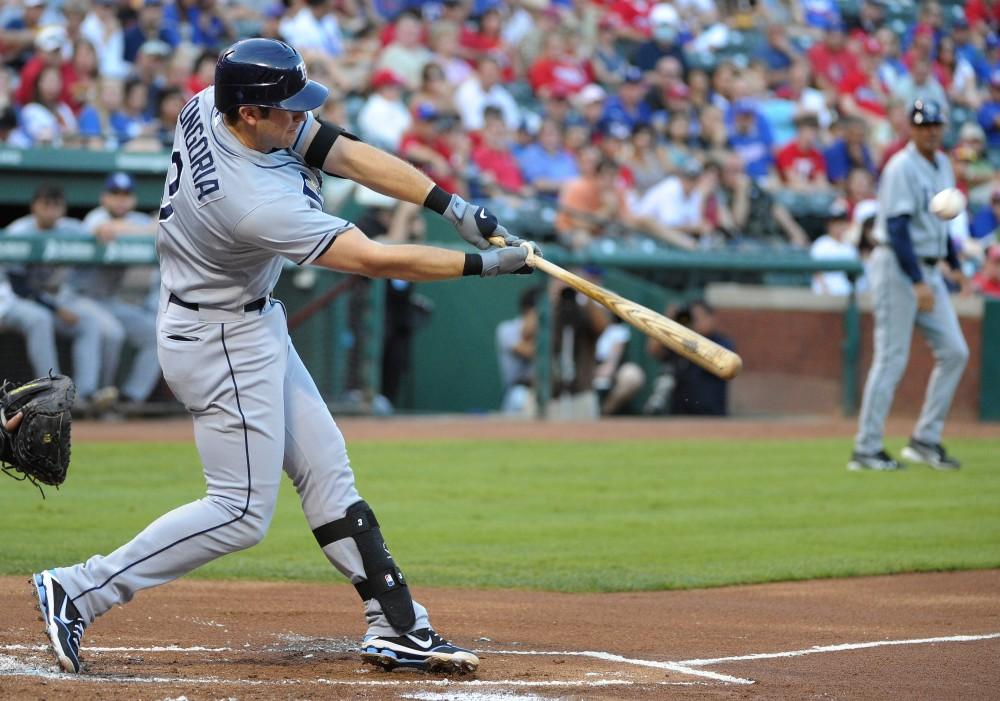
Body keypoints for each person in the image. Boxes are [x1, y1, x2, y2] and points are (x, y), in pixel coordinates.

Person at [30, 38, 538, 678]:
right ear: (248, 113)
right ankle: (79, 589)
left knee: (328, 472)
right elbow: (375, 260)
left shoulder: (213, 106)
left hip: (243, 319)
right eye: (287, 109)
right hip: (218, 340)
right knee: (240, 513)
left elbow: (343, 152)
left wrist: (452, 206)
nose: (300, 119)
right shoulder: (253, 203)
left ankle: (397, 626)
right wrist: (483, 264)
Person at [850, 100, 969, 472]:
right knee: (891, 358)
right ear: (911, 129)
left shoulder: (944, 163)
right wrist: (918, 281)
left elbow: (940, 223)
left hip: (928, 267)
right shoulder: (901, 167)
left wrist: (953, 261)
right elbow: (898, 228)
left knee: (955, 352)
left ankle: (925, 440)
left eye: (935, 123)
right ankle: (866, 449)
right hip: (898, 267)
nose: (930, 130)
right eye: (923, 125)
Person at [5, 184, 121, 414]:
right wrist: (56, 308)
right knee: (40, 319)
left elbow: (92, 231)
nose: (51, 211)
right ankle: (52, 393)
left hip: (47, 298)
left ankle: (85, 394)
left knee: (87, 323)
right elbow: (18, 286)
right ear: (34, 206)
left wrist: (99, 230)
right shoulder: (18, 231)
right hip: (9, 298)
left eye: (56, 206)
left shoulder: (68, 227)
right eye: (45, 205)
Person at [74, 173, 162, 408]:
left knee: (156, 335)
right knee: (112, 332)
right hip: (78, 297)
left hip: (109, 301)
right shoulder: (95, 216)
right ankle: (94, 395)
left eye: (126, 195)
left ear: (133, 199)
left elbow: (161, 226)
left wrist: (150, 226)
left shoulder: (136, 219)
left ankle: (130, 397)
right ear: (104, 197)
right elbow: (107, 230)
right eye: (115, 195)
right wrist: (146, 229)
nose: (120, 200)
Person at [496, 285, 540, 416]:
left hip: (544, 393)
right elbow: (529, 352)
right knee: (520, 396)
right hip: (516, 391)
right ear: (529, 310)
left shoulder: (547, 332)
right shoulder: (506, 329)